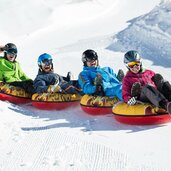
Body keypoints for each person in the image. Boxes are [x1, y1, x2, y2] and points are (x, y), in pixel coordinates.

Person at [122, 50, 171, 114]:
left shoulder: (149, 72)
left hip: (155, 95)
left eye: (137, 63)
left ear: (140, 62)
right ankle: (166, 105)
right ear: (127, 66)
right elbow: (125, 94)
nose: (135, 67)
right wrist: (129, 99)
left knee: (164, 83)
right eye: (131, 65)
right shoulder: (127, 79)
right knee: (146, 87)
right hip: (143, 98)